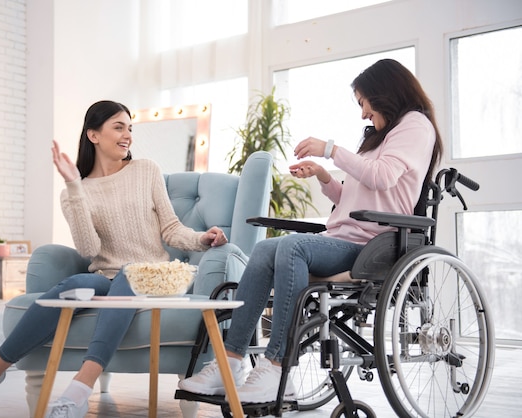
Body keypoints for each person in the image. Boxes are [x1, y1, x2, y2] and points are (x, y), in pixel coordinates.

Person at [178, 58, 444, 403]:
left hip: (373, 246)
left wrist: (331, 149)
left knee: (293, 247)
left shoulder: (415, 126)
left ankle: (277, 368)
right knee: (263, 249)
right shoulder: (386, 134)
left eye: (364, 102)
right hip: (344, 239)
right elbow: (353, 195)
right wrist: (324, 174)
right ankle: (231, 361)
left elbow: (382, 178)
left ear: (385, 93)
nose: (363, 113)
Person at [0, 100, 229, 418]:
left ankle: (80, 388)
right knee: (75, 283)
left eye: (129, 128)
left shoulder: (146, 170)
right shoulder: (75, 191)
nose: (128, 135)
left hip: (153, 275)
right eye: (118, 127)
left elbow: (172, 228)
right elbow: (89, 248)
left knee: (129, 272)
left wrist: (201, 239)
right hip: (108, 277)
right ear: (93, 135)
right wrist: (74, 187)